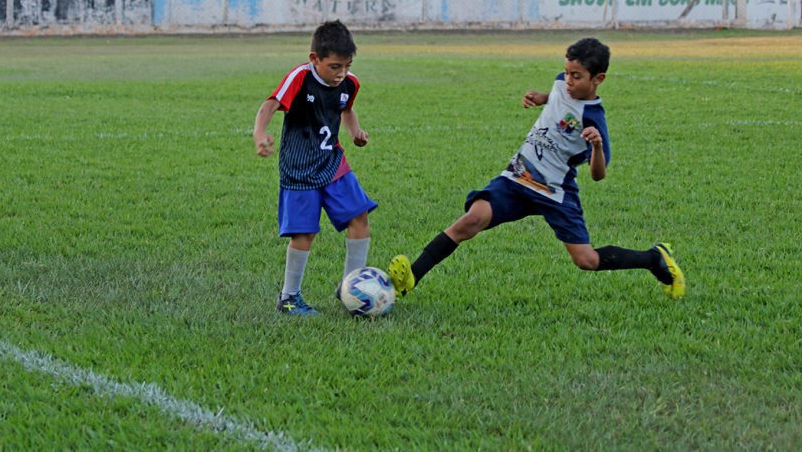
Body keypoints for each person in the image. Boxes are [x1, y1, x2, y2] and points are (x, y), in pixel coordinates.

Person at [388, 37, 685, 302]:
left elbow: (599, 173)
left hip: (554, 191)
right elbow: (558, 100)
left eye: (576, 76)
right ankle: (410, 279)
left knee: (587, 260)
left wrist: (595, 147)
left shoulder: (593, 118)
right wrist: (541, 97)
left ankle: (653, 258)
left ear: (599, 78)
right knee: (471, 219)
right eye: (567, 72)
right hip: (518, 177)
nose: (568, 80)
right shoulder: (561, 83)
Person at [254, 20, 377, 316]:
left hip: (332, 163)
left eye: (346, 65)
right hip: (299, 169)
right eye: (334, 66)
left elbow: (345, 108)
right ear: (315, 59)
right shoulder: (300, 77)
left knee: (359, 217)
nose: (341, 74)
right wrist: (260, 133)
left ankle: (351, 286)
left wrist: (355, 132)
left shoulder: (349, 83)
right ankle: (290, 298)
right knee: (304, 233)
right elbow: (270, 104)